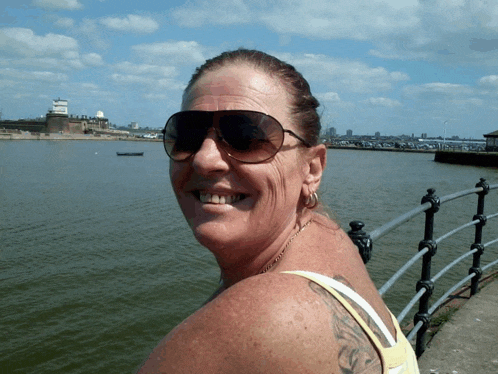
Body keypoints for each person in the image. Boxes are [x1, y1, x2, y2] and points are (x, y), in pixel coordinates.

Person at [138, 49, 419, 374]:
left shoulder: (259, 321)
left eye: (247, 136)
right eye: (186, 135)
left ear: (312, 168)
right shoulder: (328, 235)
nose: (204, 159)